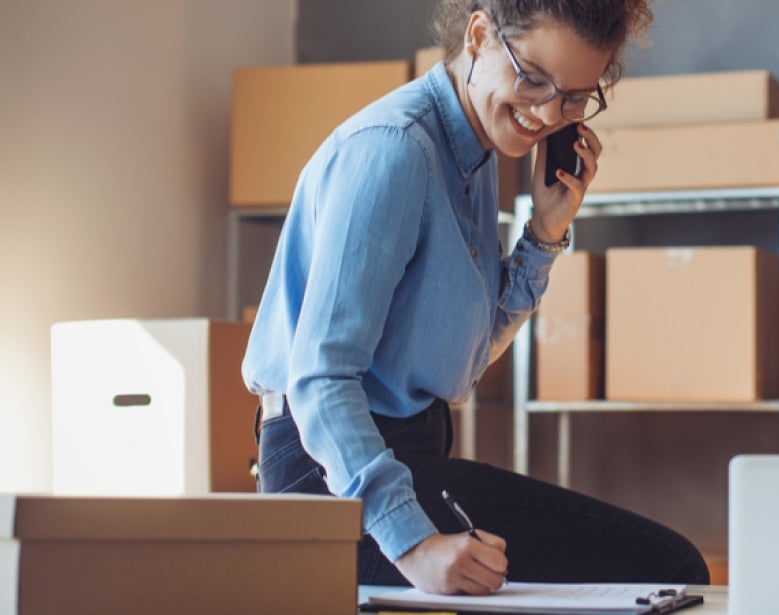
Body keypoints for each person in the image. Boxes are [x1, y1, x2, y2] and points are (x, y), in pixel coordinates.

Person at [242, 0, 710, 596]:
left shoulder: (474, 150)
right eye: (533, 78)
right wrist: (413, 543)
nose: (545, 114)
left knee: (650, 575)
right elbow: (320, 378)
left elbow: (465, 355)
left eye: (573, 98)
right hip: (328, 481)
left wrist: (544, 234)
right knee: (668, 570)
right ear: (481, 33)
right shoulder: (395, 149)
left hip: (403, 458)